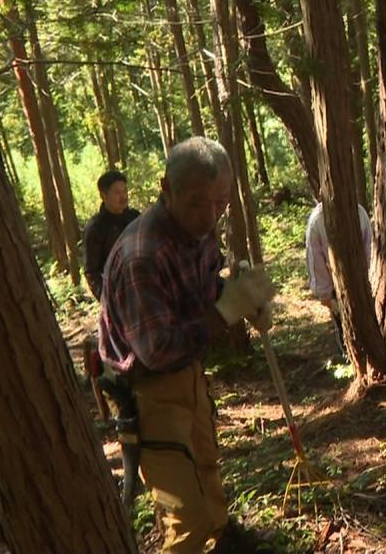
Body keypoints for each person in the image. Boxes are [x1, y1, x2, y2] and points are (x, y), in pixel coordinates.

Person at [98, 137, 276, 553]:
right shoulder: (141, 255)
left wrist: (235, 293)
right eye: (198, 202)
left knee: (207, 466)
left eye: (221, 203)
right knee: (185, 517)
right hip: (149, 389)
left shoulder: (200, 232)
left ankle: (224, 539)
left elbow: (202, 287)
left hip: (188, 371)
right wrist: (224, 312)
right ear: (166, 188)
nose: (210, 215)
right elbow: (156, 350)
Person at [305, 200, 372, 355]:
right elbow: (316, 261)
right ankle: (352, 360)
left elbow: (369, 247)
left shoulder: (359, 212)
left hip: (362, 282)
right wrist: (326, 295)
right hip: (336, 287)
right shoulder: (318, 220)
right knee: (345, 331)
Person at [82, 169, 140, 299]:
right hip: (116, 295)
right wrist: (107, 299)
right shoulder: (95, 228)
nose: (123, 196)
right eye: (117, 192)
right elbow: (91, 271)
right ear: (104, 195)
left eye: (125, 190)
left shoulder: (135, 218)